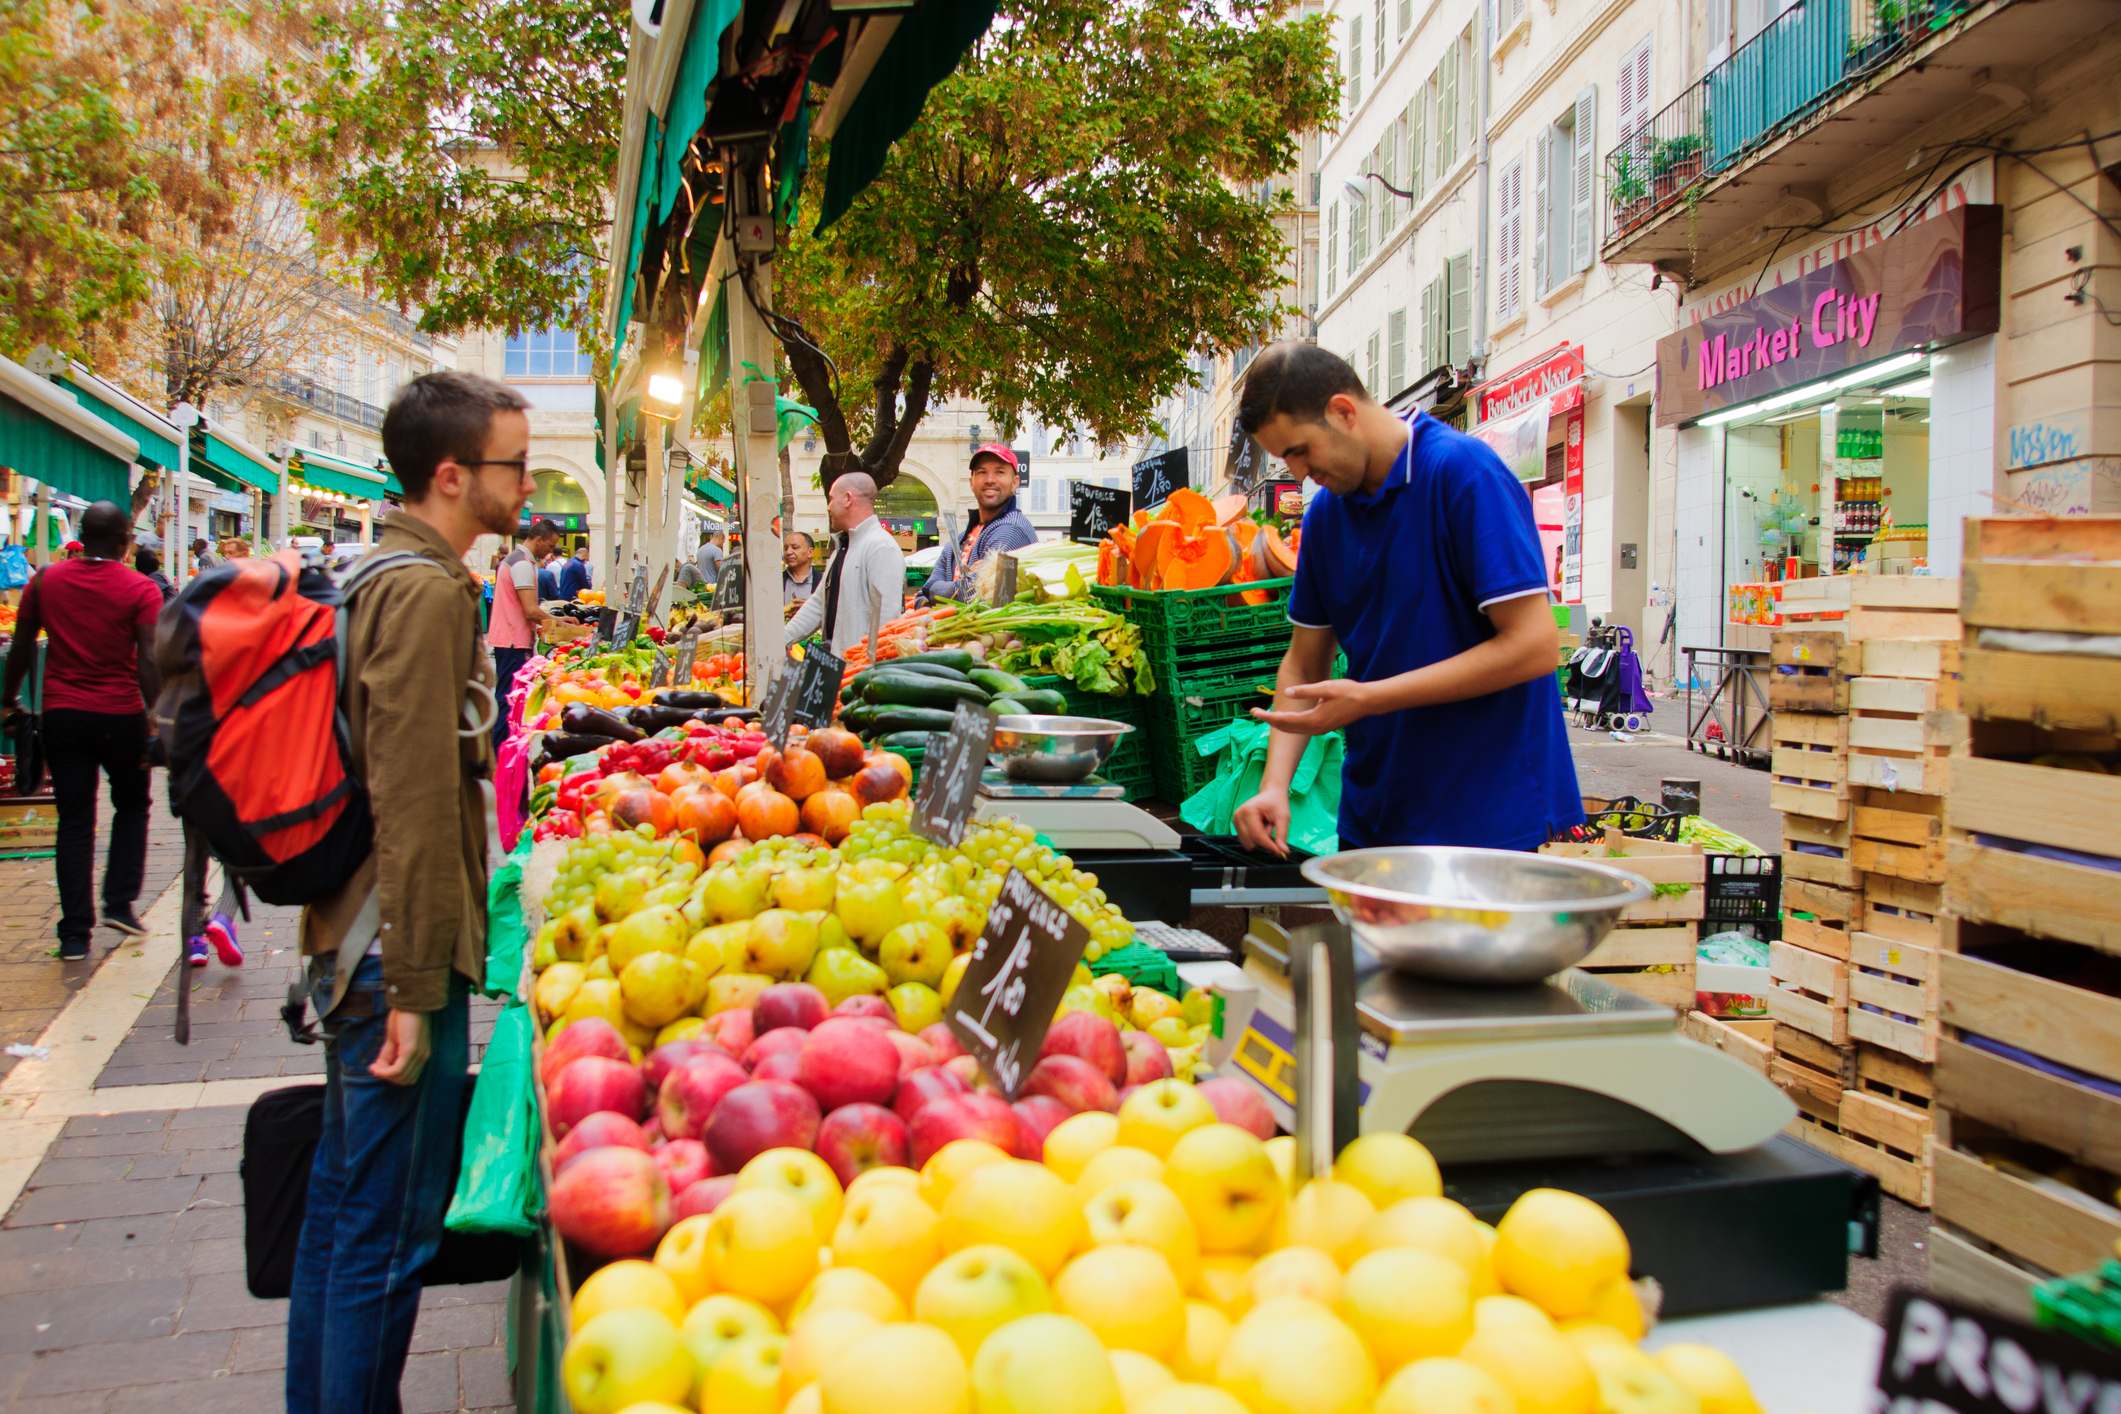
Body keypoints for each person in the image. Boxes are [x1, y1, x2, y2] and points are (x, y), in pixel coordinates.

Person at [285, 371, 520, 1414]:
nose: (527, 483)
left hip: (360, 946)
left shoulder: (385, 574)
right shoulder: (424, 593)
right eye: (513, 464)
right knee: (384, 1239)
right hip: (392, 957)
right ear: (452, 474)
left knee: (341, 1219)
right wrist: (422, 996)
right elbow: (418, 803)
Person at [1227, 343, 1581, 855]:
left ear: (1344, 412)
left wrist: (1371, 697)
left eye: (1300, 450)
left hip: (1492, 821)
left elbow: (1534, 646)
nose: (1298, 472)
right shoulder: (1326, 515)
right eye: (1285, 458)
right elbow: (1303, 666)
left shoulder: (1464, 474)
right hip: (1376, 817)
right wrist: (1274, 785)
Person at [1, 502, 160, 960]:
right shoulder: (139, 587)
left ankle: (73, 933)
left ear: (83, 536)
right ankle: (119, 903)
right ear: (125, 539)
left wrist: (9, 699)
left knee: (74, 820)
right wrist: (161, 714)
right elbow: (147, 659)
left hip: (62, 715)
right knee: (131, 804)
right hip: (121, 715)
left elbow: (22, 646)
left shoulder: (45, 580)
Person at [786, 474, 905, 656]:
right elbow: (818, 605)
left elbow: (885, 619)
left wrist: (864, 669)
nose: (828, 507)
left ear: (848, 499)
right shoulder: (842, 549)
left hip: (859, 674)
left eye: (832, 499)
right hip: (839, 668)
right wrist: (781, 639)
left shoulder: (881, 547)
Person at [488, 516, 583, 744]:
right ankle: (502, 748)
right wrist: (562, 623)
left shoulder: (519, 560)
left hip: (509, 638)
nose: (550, 553)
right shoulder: (521, 564)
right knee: (508, 698)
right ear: (538, 540)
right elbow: (530, 610)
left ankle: (501, 745)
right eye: (550, 546)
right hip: (513, 640)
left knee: (507, 695)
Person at [922, 444, 1039, 602]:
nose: (990, 480)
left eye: (999, 472)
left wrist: (933, 590)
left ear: (1014, 483)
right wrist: (932, 592)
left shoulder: (1012, 530)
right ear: (971, 482)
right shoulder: (959, 540)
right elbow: (921, 597)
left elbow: (972, 594)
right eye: (982, 472)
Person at [782, 530, 819, 614]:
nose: (788, 552)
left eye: (795, 547)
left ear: (810, 552)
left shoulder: (823, 582)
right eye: (786, 548)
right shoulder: (777, 582)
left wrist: (811, 609)